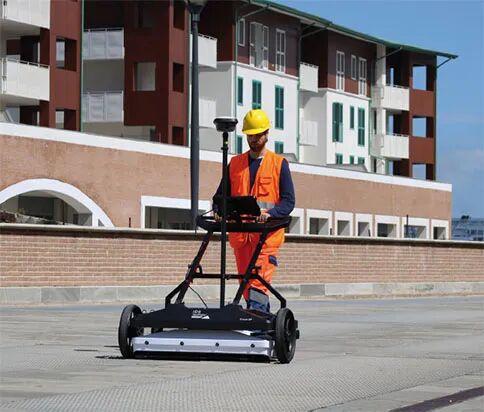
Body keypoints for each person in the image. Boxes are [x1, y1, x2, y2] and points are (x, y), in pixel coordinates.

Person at [213, 109, 295, 313]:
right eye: (250, 135)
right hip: (241, 237)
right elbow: (220, 196)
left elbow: (288, 202)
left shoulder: (279, 164)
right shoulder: (235, 164)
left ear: (266, 134)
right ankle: (262, 321)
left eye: (257, 135)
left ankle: (256, 323)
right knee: (246, 285)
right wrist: (218, 210)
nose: (253, 139)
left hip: (265, 238)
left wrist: (271, 214)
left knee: (258, 283)